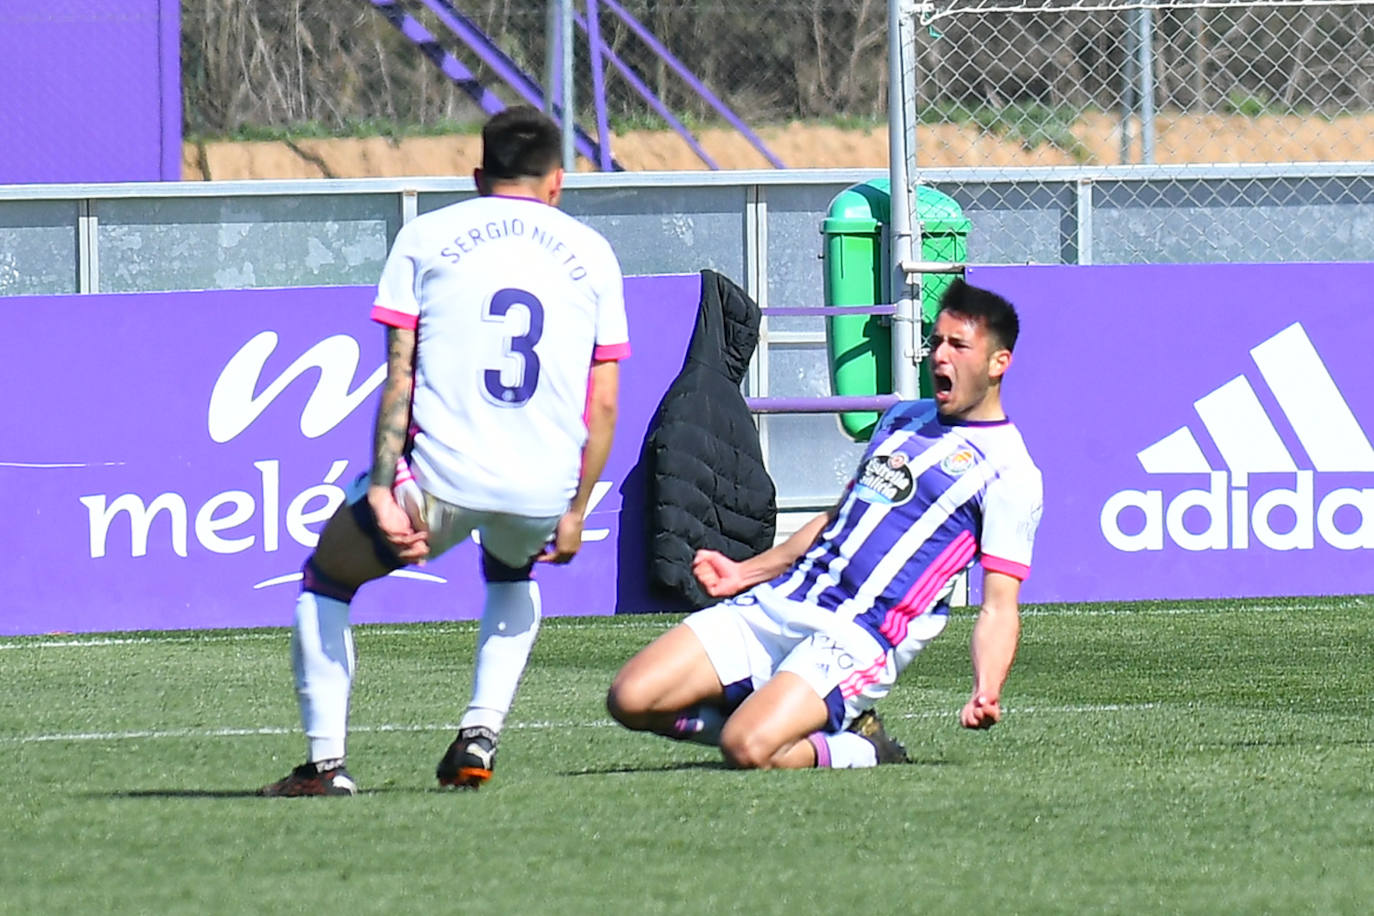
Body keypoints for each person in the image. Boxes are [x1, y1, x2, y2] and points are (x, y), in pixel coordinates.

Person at [260, 106, 629, 796]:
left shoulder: (427, 237)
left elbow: (400, 369)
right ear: (558, 181)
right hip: (543, 484)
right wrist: (575, 508)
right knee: (512, 576)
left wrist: (379, 487)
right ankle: (480, 731)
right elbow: (603, 401)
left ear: (478, 174)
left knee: (327, 579)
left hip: (441, 478)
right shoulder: (592, 251)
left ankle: (323, 766)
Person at [606, 279, 1040, 770]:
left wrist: (987, 688)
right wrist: (743, 573)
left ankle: (862, 746)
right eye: (936, 341)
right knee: (632, 698)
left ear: (998, 362)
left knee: (747, 748)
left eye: (958, 346)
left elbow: (1000, 606)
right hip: (782, 603)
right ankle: (776, 714)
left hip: (857, 636)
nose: (940, 356)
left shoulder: (1010, 471)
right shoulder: (902, 419)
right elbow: (840, 520)